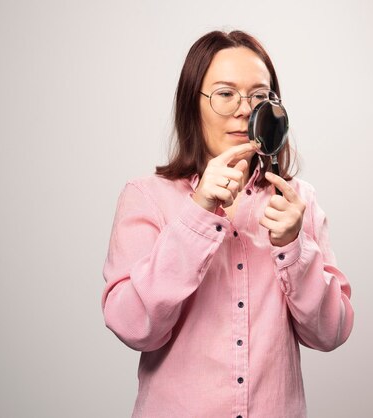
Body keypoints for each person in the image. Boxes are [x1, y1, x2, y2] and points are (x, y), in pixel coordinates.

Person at [101, 30, 354, 418]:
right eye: (225, 94)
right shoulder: (146, 197)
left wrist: (293, 247)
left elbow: (330, 332)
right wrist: (199, 213)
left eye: (259, 96)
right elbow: (134, 327)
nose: (244, 110)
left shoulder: (296, 202)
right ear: (193, 104)